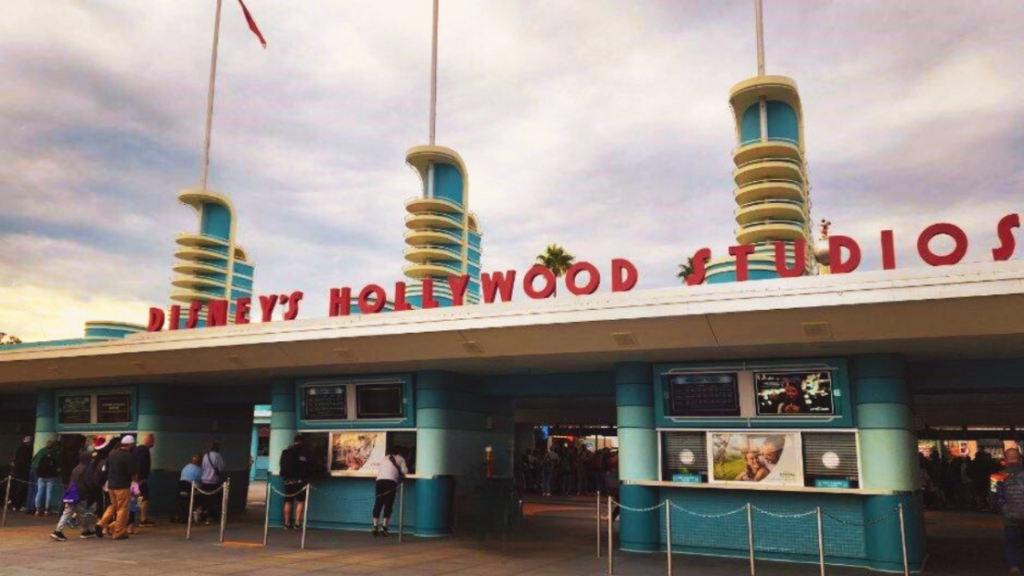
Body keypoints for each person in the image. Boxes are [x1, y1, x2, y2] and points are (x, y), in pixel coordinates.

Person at [96, 435, 137, 540]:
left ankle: (101, 523)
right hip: (122, 486)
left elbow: (107, 469)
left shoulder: (112, 454)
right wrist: (135, 482)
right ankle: (119, 532)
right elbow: (132, 472)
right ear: (131, 444)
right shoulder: (128, 456)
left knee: (113, 506)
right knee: (123, 509)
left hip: (111, 485)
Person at [993, 448, 1024, 575]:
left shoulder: (996, 476)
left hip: (1009, 516)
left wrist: (1002, 508)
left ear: (1005, 460)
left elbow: (993, 495)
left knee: (1012, 543)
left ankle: (1014, 566)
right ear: (1020, 459)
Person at [371, 445, 408, 537]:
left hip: (379, 481)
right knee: (388, 504)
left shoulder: (385, 458)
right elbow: (405, 471)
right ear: (400, 452)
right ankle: (384, 527)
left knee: (378, 503)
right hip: (390, 482)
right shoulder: (401, 458)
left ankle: (375, 526)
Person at [279, 434, 312, 530]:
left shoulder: (287, 451)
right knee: (300, 502)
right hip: (300, 481)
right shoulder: (305, 451)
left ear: (294, 441)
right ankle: (297, 523)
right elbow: (308, 466)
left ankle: (287, 523)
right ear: (303, 441)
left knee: (288, 502)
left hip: (288, 480)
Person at [32, 440, 62, 516]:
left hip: (41, 476)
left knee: (39, 492)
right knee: (49, 493)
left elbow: (34, 461)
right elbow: (58, 465)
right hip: (51, 476)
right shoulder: (55, 453)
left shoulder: (41, 451)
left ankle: (37, 510)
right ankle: (47, 510)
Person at [172, 455, 203, 523]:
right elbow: (201, 483)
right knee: (203, 495)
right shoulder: (199, 470)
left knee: (182, 502)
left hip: (180, 488)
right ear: (200, 462)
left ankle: (182, 515)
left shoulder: (186, 467)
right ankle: (198, 513)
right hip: (190, 489)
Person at [201, 441, 226, 524]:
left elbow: (203, 467)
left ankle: (204, 515)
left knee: (205, 499)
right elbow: (221, 467)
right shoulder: (217, 456)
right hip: (213, 481)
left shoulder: (205, 455)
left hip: (204, 480)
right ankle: (210, 516)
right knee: (212, 500)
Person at [135, 434, 155, 527]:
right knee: (145, 498)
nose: (154, 443)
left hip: (136, 480)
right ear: (149, 440)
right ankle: (143, 519)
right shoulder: (144, 451)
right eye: (153, 440)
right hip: (140, 480)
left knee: (139, 498)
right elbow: (141, 466)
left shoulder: (138, 450)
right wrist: (139, 479)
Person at [8, 436, 32, 511]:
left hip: (16, 472)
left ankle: (13, 504)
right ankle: (18, 505)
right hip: (23, 472)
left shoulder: (18, 448)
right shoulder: (28, 449)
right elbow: (26, 460)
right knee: (21, 489)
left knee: (15, 488)